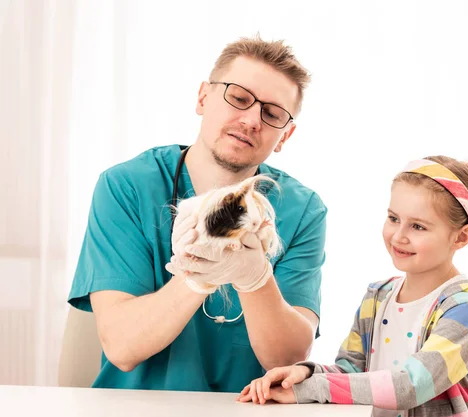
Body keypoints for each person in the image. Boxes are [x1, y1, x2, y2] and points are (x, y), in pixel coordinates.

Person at [67, 35, 326, 392]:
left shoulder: (303, 211)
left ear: (285, 135)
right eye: (238, 98)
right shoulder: (127, 186)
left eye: (272, 114)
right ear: (203, 97)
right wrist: (196, 277)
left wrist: (255, 278)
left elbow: (287, 361)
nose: (252, 120)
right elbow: (122, 347)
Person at [238, 156, 468, 417]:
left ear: (461, 236)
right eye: (394, 218)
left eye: (418, 227)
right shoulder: (377, 297)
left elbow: (412, 386)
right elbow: (350, 372)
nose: (399, 235)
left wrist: (311, 390)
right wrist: (305, 375)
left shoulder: (466, 310)